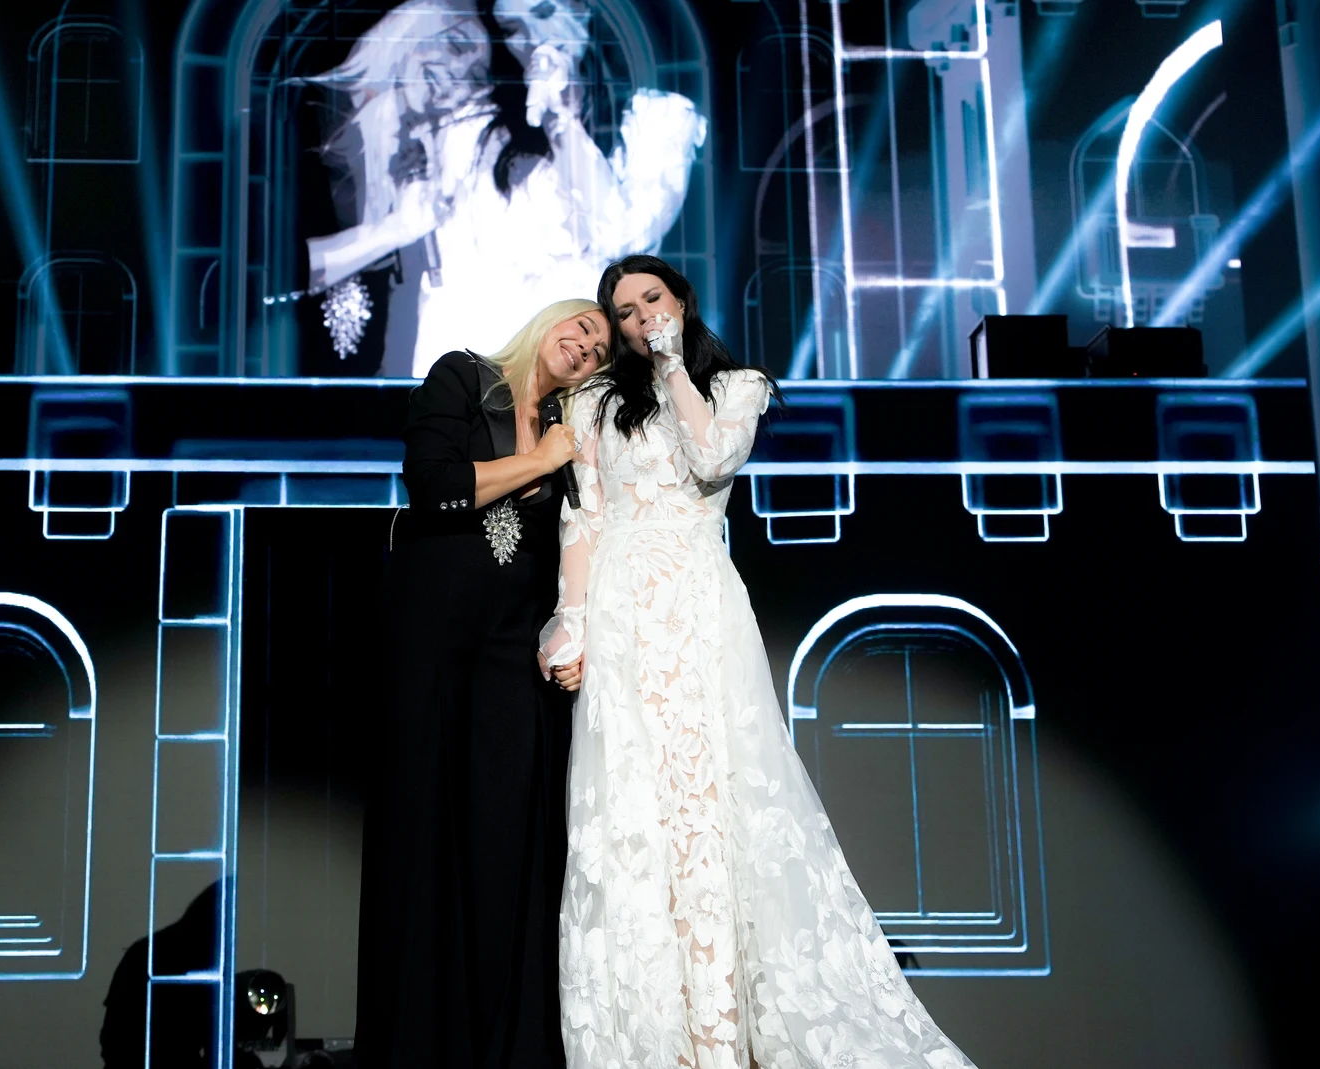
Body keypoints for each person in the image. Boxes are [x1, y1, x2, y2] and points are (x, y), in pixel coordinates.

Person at [540, 256, 978, 1069]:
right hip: (622, 610)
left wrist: (674, 366)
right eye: (625, 313)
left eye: (650, 301)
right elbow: (585, 516)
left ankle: (720, 1034)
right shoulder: (595, 402)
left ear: (681, 300)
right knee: (630, 811)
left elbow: (711, 461)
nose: (639, 320)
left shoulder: (738, 386)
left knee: (711, 808)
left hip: (700, 608)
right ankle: (654, 1040)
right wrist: (569, 620)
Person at [355, 298, 612, 1069]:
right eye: (582, 325)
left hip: (514, 655)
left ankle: (511, 1045)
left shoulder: (581, 438)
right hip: (431, 641)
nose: (587, 345)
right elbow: (433, 485)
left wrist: (582, 629)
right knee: (423, 832)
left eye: (600, 347)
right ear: (549, 321)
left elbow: (586, 544)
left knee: (510, 840)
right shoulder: (463, 377)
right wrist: (540, 459)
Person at [295, 0, 704, 375]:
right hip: (468, 369)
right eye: (511, 26)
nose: (531, 39)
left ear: (582, 11)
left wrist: (562, 122)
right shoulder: (468, 129)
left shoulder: (661, 120)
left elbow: (623, 236)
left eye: (542, 13)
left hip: (576, 380)